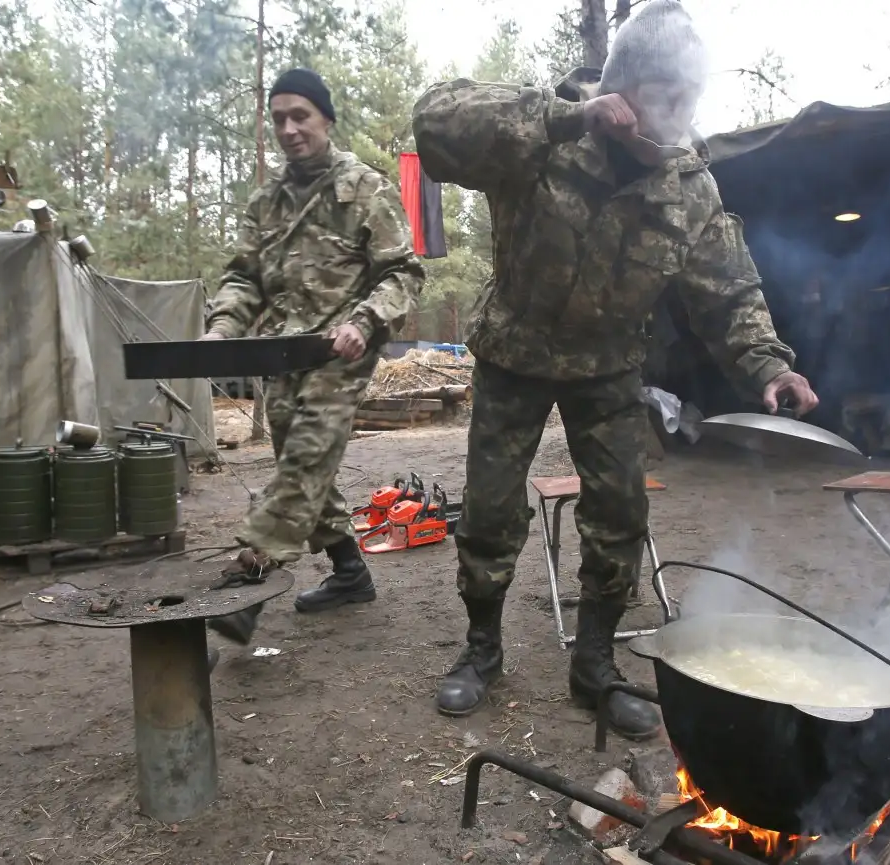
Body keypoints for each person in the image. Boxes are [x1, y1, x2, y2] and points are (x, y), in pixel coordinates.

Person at [411, 0, 819, 741]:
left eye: (690, 97)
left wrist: (768, 363)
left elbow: (727, 288)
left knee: (621, 514)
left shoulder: (689, 186)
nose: (680, 115)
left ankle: (594, 665)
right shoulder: (547, 132)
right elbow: (436, 122)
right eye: (667, 95)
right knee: (493, 508)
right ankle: (482, 650)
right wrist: (569, 118)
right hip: (517, 353)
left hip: (607, 366)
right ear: (624, 88)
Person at [202, 68, 425, 646]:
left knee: (305, 457)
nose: (289, 128)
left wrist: (365, 321)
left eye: (300, 115)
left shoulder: (363, 187)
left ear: (326, 118)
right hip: (282, 353)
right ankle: (351, 574)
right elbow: (242, 277)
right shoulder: (266, 202)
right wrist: (222, 329)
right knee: (307, 469)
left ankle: (248, 578)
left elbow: (403, 271)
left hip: (341, 351)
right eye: (278, 118)